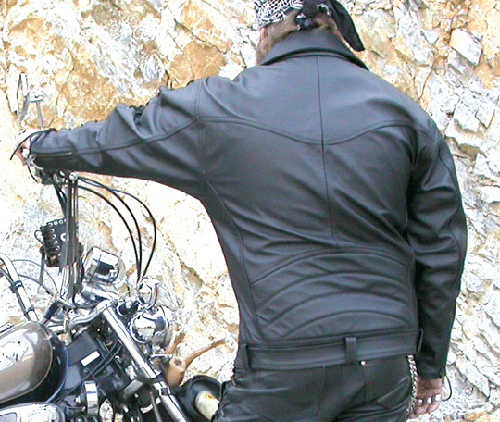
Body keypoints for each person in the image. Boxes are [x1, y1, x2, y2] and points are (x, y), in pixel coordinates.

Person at [15, 0, 467, 420]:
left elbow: (130, 134)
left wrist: (43, 147)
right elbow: (442, 249)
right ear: (337, 30)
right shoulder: (407, 116)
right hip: (384, 366)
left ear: (267, 34)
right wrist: (430, 367)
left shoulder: (220, 108)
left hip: (285, 364)